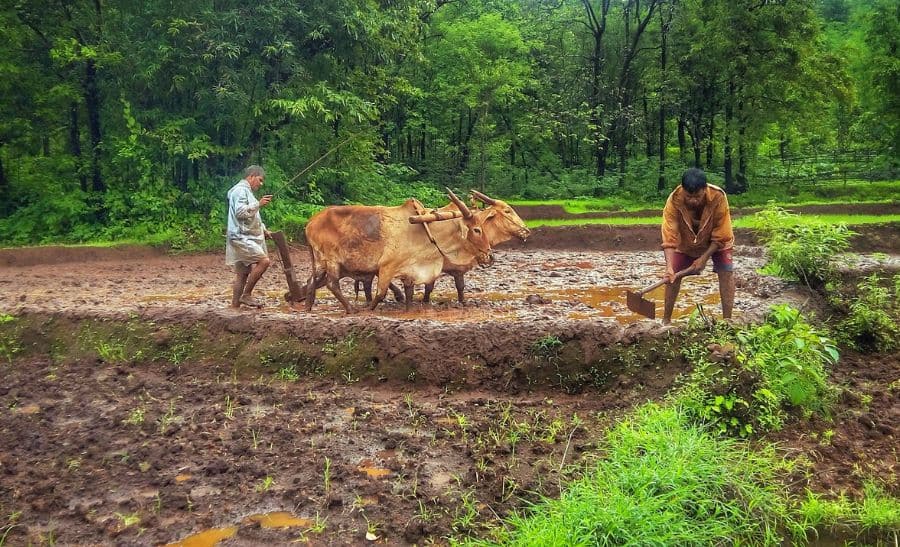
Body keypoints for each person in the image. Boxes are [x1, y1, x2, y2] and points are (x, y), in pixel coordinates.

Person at [660, 168, 735, 324]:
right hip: (686, 240)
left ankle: (728, 321)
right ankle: (665, 321)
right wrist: (668, 268)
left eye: (697, 197)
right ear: (683, 191)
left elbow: (721, 233)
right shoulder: (674, 200)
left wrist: (704, 258)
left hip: (717, 242)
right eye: (689, 196)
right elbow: (669, 235)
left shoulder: (718, 197)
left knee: (726, 272)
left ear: (704, 190)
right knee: (672, 275)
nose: (693, 200)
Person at [226, 165, 272, 308]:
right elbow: (240, 213)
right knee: (264, 261)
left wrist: (263, 229)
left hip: (240, 236)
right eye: (260, 180)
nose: (261, 183)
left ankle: (235, 307)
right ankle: (246, 295)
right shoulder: (240, 191)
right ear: (251, 176)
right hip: (241, 237)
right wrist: (258, 204)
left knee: (242, 273)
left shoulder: (246, 192)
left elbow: (253, 218)